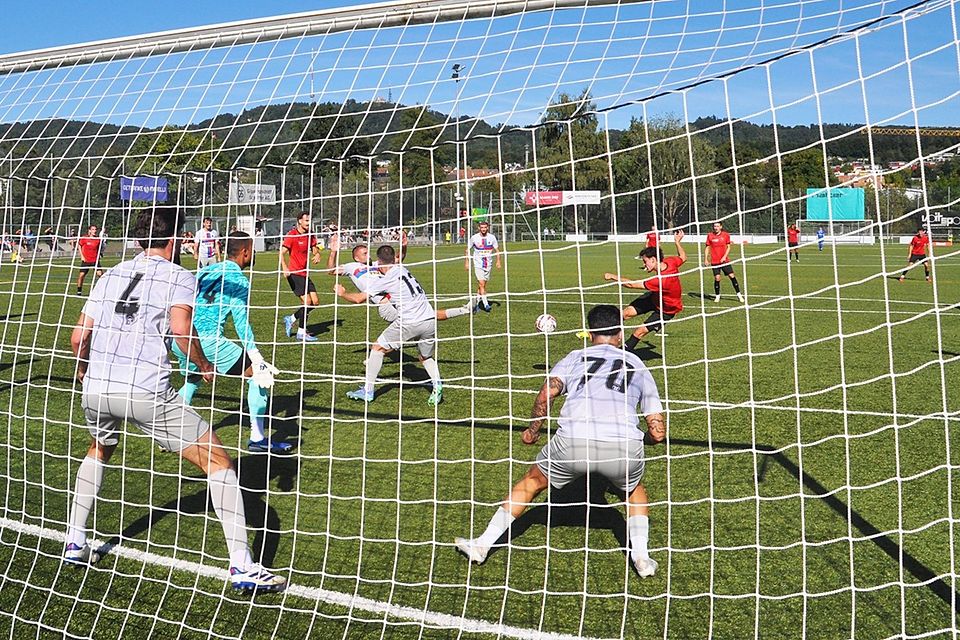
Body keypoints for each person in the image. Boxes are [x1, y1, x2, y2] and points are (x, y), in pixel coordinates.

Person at [64, 206, 285, 592]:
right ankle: (243, 566)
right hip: (144, 388)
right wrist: (200, 364)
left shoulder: (110, 274)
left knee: (99, 447)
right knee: (217, 458)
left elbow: (77, 337)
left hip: (96, 387)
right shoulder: (179, 275)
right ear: (174, 240)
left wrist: (83, 370)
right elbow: (182, 329)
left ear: (136, 240)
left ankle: (75, 540)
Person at [454, 304, 666, 577]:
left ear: (590, 333)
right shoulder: (637, 363)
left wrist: (532, 431)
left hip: (572, 441)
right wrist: (647, 440)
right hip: (623, 445)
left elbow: (546, 395)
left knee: (531, 483)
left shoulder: (576, 356)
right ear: (620, 332)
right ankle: (642, 558)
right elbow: (657, 431)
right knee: (634, 492)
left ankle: (482, 545)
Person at [173, 231, 291, 454]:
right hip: (208, 341)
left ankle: (171, 431)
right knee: (257, 375)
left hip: (181, 339)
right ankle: (258, 439)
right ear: (245, 252)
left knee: (193, 379)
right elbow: (241, 322)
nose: (253, 253)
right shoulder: (238, 279)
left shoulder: (206, 269)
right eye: (252, 250)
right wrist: (256, 356)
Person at [334, 245, 443, 405]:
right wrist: (404, 247)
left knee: (377, 348)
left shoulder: (385, 280)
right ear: (394, 259)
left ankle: (368, 391)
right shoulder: (402, 268)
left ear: (379, 260)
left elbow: (358, 299)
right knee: (425, 357)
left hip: (409, 322)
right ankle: (437, 384)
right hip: (430, 320)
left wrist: (343, 293)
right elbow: (393, 261)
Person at [327, 234, 473, 322]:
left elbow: (398, 258)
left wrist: (403, 246)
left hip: (397, 297)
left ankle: (465, 310)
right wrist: (333, 252)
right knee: (424, 319)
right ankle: (378, 353)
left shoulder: (377, 264)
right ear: (356, 257)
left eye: (368, 252)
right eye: (364, 253)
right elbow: (330, 271)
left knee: (426, 317)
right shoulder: (351, 267)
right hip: (385, 303)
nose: (368, 255)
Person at [605, 231, 686, 342]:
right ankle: (597, 333)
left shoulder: (661, 280)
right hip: (655, 298)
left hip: (666, 309)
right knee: (625, 313)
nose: (644, 264)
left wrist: (612, 276)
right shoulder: (670, 261)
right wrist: (677, 242)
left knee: (639, 332)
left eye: (645, 261)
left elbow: (630, 284)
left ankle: (624, 353)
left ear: (653, 259)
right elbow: (683, 257)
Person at [280, 211, 322, 342]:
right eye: (306, 221)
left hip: (305, 273)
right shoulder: (292, 235)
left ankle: (291, 318)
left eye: (310, 221)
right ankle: (301, 332)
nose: (309, 224)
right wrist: (284, 267)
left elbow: (314, 247)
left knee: (315, 302)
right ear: (299, 221)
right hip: (294, 274)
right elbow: (281, 253)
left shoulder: (310, 235)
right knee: (307, 302)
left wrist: (317, 254)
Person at [465, 220, 501, 313]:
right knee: (481, 284)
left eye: (485, 227)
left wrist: (498, 261)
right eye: (482, 227)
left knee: (482, 286)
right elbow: (467, 250)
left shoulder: (492, 237)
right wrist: (467, 262)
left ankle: (474, 304)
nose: (484, 229)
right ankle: (486, 304)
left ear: (487, 228)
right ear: (479, 228)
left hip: (488, 264)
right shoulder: (474, 238)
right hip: (478, 264)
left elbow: (497, 250)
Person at [705, 221, 743, 303]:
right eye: (715, 226)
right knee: (717, 278)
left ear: (721, 227)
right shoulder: (710, 235)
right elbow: (707, 247)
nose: (716, 228)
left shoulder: (725, 235)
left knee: (731, 276)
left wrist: (724, 257)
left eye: (717, 226)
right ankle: (717, 296)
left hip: (724, 261)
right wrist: (706, 259)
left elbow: (728, 247)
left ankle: (739, 294)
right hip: (715, 261)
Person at [75, 225, 104, 296]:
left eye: (95, 229)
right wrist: (81, 256)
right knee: (81, 275)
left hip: (95, 260)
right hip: (86, 260)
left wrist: (100, 253)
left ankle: (103, 290)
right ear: (89, 230)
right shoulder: (84, 238)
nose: (95, 231)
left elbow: (100, 247)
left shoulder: (98, 239)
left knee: (100, 275)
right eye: (93, 229)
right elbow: (79, 245)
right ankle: (79, 291)